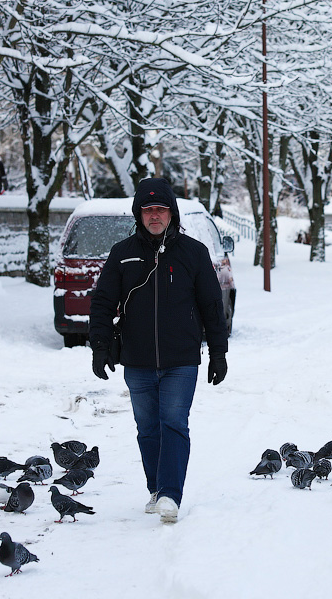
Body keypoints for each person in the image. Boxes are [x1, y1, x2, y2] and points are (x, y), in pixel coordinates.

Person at [89, 177, 228, 524]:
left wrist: (218, 353)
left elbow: (212, 306)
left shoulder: (194, 253)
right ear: (138, 214)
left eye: (160, 210)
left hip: (181, 360)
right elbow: (103, 302)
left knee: (174, 424)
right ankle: (156, 488)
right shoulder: (122, 254)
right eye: (148, 210)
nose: (154, 216)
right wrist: (100, 346)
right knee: (147, 428)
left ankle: (170, 495)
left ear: (172, 213)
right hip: (136, 360)